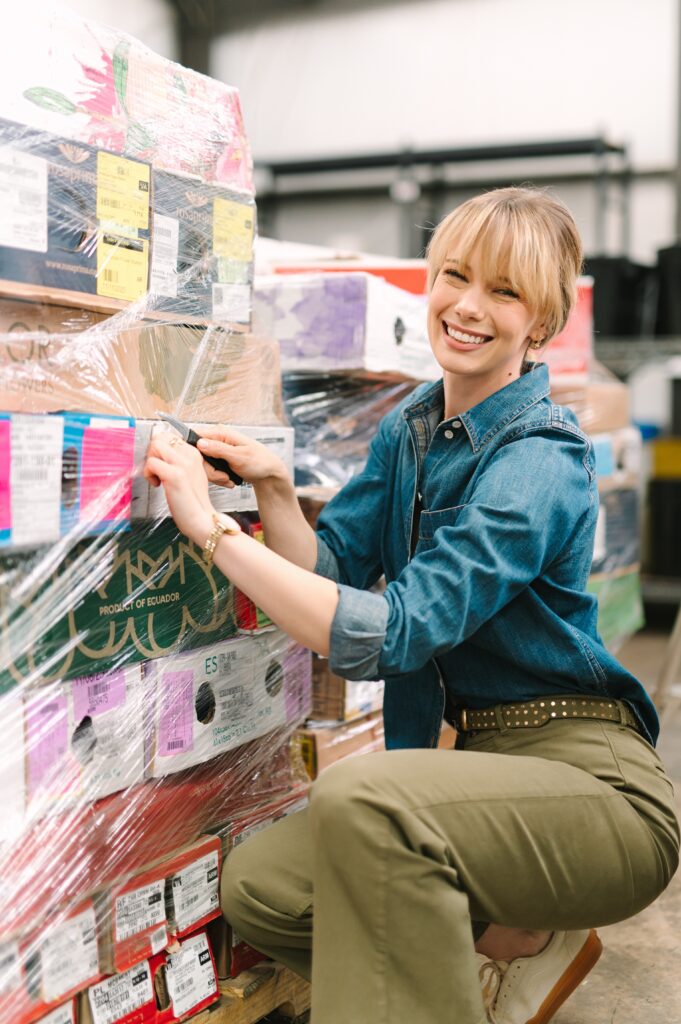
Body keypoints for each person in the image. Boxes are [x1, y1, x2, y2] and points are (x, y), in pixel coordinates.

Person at [144, 187, 679, 1024]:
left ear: (539, 322)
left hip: (590, 784)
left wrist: (215, 534)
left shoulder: (538, 459)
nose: (467, 307)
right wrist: (276, 494)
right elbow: (332, 570)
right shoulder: (412, 429)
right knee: (266, 888)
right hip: (475, 772)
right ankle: (505, 952)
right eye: (454, 276)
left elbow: (388, 634)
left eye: (503, 292)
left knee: (363, 798)